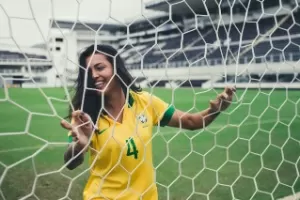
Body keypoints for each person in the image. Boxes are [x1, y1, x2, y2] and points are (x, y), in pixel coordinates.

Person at [61, 44, 236, 200]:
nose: (94, 76)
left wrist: (215, 110)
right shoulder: (85, 116)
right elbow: (71, 162)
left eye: (100, 68)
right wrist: (79, 146)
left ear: (116, 68)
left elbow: (190, 121)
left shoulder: (144, 102)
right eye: (89, 72)